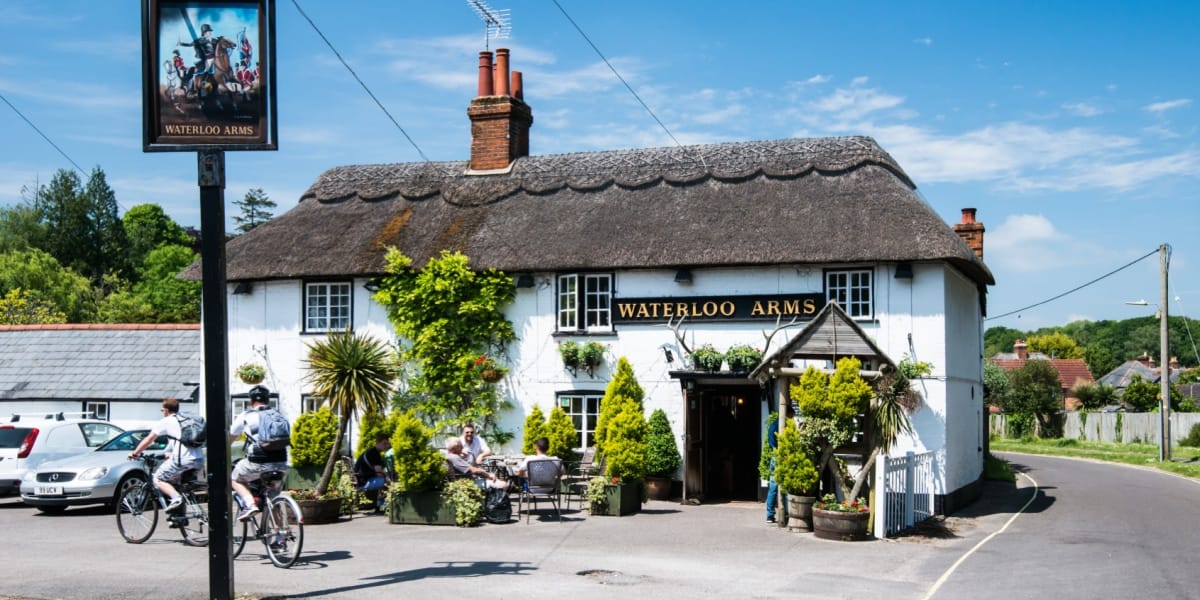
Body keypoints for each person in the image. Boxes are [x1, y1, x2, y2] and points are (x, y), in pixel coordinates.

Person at [128, 397, 204, 512]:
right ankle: (180, 516)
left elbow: (149, 439)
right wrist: (169, 454)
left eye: (162, 410)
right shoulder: (185, 420)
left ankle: (177, 499)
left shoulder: (166, 421)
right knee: (174, 483)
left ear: (167, 410)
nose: (162, 412)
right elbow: (179, 441)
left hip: (182, 460)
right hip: (198, 460)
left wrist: (135, 453)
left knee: (158, 479)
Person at [230, 385, 289, 522]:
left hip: (258, 462)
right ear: (268, 400)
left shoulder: (246, 416)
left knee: (234, 478)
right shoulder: (278, 415)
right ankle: (280, 535)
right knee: (273, 497)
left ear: (251, 401)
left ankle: (250, 504)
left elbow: (230, 438)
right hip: (281, 463)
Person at [765, 404, 796, 524]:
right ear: (788, 414)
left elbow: (770, 440)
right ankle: (786, 514)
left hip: (775, 455)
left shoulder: (773, 425)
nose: (792, 418)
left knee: (773, 487)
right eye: (792, 416)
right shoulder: (784, 426)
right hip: (783, 456)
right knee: (786, 486)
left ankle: (770, 515)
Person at [354, 434, 392, 510]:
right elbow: (379, 474)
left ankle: (379, 504)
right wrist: (388, 478)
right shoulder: (375, 454)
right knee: (388, 482)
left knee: (386, 480)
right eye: (384, 443)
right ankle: (382, 505)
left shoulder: (370, 451)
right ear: (377, 442)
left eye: (387, 444)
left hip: (361, 480)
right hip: (364, 483)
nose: (386, 446)